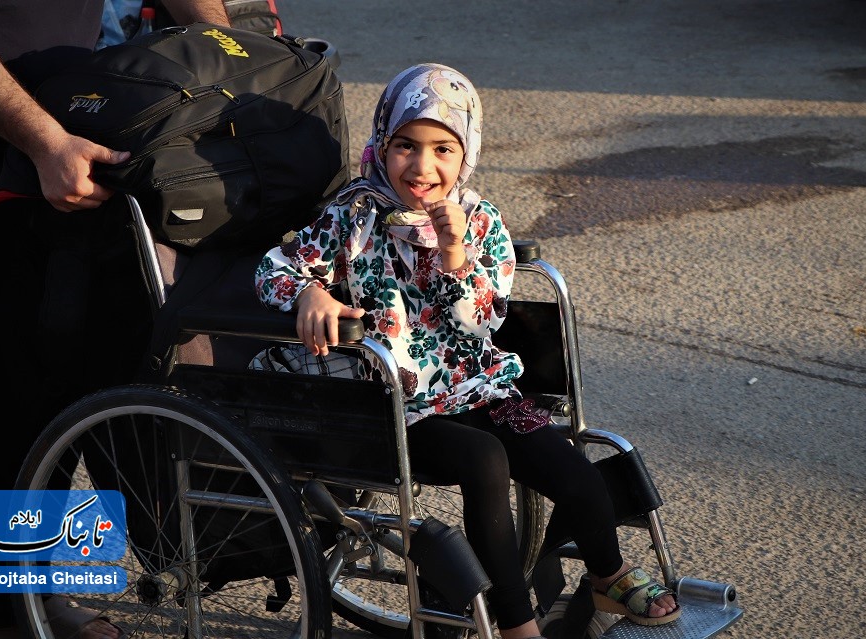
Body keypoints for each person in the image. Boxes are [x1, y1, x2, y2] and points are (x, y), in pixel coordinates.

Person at [255, 63, 681, 636]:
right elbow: (273, 268)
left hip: (475, 384)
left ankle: (608, 575)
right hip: (395, 404)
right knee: (485, 461)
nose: (421, 166)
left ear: (466, 154)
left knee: (572, 472)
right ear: (383, 144)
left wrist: (453, 252)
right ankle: (516, 624)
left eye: (442, 150)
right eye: (405, 145)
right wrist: (310, 291)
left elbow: (482, 321)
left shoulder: (479, 220)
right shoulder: (352, 215)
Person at [0, 1, 230, 635]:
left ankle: (23, 588)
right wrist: (46, 142)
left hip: (77, 152)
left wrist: (240, 60)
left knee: (63, 387)